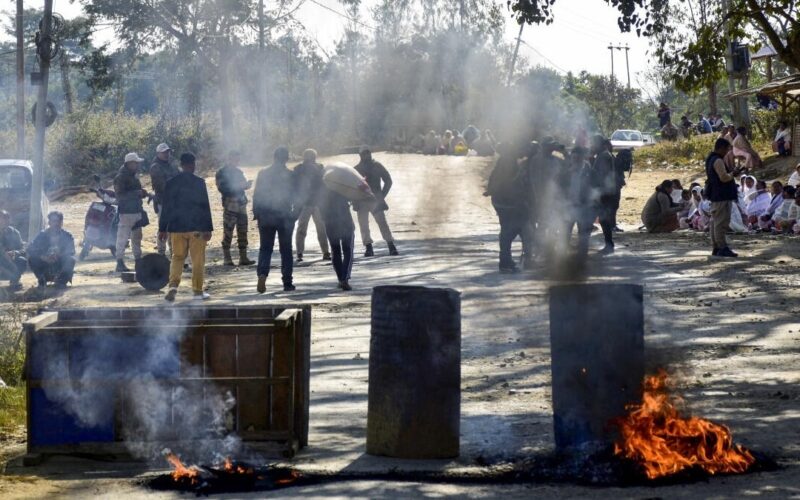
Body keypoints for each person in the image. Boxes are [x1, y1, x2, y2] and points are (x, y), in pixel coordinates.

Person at [159, 153, 214, 302]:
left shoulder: (171, 183)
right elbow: (205, 207)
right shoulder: (199, 182)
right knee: (197, 260)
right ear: (193, 165)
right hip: (196, 227)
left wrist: (162, 228)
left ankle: (173, 287)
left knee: (177, 258)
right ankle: (197, 291)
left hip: (176, 228)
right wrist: (208, 228)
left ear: (181, 165)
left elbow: (166, 208)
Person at [252, 147, 299, 293]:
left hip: (266, 216)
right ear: (286, 159)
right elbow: (297, 197)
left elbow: (257, 195)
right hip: (284, 216)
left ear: (274, 157)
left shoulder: (263, 173)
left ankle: (262, 275)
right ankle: (287, 283)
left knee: (265, 248)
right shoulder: (290, 175)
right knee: (286, 250)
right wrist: (295, 215)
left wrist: (257, 214)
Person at [486, 142, 529, 273]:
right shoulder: (509, 163)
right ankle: (506, 261)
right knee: (510, 230)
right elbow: (511, 185)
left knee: (509, 230)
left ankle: (506, 260)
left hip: (502, 202)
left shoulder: (504, 161)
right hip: (507, 203)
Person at [354, 147, 399, 257]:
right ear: (360, 155)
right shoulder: (356, 169)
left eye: (368, 153)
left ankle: (391, 245)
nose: (367, 155)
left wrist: (382, 195)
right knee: (363, 225)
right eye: (364, 153)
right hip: (362, 200)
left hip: (375, 200)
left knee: (382, 223)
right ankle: (368, 247)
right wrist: (354, 199)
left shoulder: (377, 166)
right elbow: (352, 186)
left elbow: (388, 180)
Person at [215, 151, 255, 266]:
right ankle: (227, 258)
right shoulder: (221, 172)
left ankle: (243, 257)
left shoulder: (238, 172)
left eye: (238, 159)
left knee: (243, 231)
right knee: (228, 231)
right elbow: (223, 188)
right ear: (228, 159)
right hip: (230, 205)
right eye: (235, 159)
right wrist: (239, 186)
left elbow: (242, 185)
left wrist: (246, 185)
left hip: (241, 205)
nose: (237, 162)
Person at [705, 138, 742, 257]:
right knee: (721, 223)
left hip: (716, 195)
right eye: (726, 149)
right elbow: (724, 178)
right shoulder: (718, 160)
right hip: (722, 196)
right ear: (721, 148)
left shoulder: (710, 159)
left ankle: (716, 247)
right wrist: (733, 174)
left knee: (715, 222)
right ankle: (722, 247)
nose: (727, 152)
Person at [113, 152, 148, 272]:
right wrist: (137, 193)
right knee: (122, 238)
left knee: (137, 238)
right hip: (126, 212)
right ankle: (119, 262)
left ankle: (138, 261)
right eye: (136, 163)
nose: (138, 165)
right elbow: (120, 196)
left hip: (136, 210)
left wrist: (141, 193)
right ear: (129, 163)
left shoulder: (133, 176)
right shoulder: (120, 177)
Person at [293, 149, 330, 263]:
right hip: (305, 203)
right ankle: (299, 252)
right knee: (302, 229)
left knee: (321, 229)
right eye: (308, 156)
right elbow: (295, 185)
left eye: (311, 156)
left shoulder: (319, 168)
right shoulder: (299, 169)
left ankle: (326, 252)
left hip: (317, 203)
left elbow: (325, 183)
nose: (310, 158)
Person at [319, 184, 356, 290]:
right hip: (345, 223)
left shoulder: (321, 190)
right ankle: (345, 278)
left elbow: (320, 210)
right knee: (348, 250)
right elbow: (354, 197)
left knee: (335, 251)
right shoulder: (343, 186)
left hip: (330, 224)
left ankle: (340, 279)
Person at [27, 211, 76, 289]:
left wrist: (59, 255)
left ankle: (61, 283)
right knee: (32, 259)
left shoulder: (67, 236)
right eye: (54, 221)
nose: (56, 223)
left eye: (59, 221)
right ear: (49, 222)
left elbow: (71, 251)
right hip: (45, 265)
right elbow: (30, 249)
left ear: (62, 222)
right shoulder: (42, 235)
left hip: (59, 265)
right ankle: (42, 280)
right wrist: (43, 257)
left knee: (71, 259)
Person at [589, 135, 620, 254]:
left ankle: (609, 244)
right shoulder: (603, 155)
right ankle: (608, 244)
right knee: (603, 219)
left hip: (603, 192)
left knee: (602, 219)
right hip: (605, 191)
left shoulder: (603, 156)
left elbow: (600, 175)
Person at [149, 143, 180, 255]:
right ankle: (161, 253)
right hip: (163, 202)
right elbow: (161, 186)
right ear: (158, 153)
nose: (167, 154)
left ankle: (174, 254)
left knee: (174, 229)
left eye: (168, 151)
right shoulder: (155, 167)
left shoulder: (172, 165)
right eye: (164, 152)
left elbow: (180, 177)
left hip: (174, 202)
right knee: (163, 228)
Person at [0, 210, 27, 291]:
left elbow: (23, 249)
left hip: (10, 261)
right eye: (2, 218)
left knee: (22, 261)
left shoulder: (14, 232)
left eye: (6, 218)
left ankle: (14, 282)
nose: (4, 221)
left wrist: (15, 253)